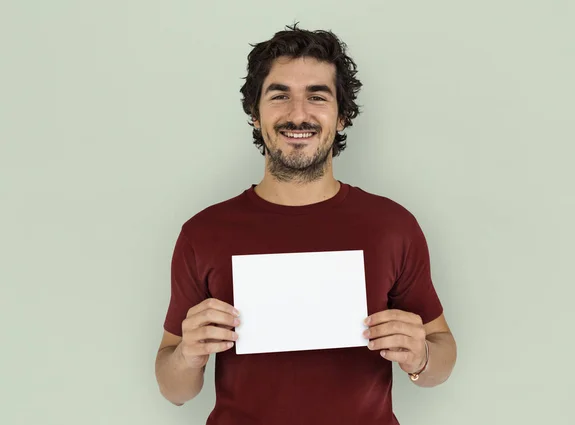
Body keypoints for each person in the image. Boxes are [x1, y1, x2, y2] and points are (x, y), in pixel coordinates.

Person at [154, 23, 457, 425]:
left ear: (342, 116)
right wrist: (188, 355)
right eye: (280, 96)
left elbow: (441, 358)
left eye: (317, 96)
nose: (298, 114)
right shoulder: (203, 232)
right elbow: (175, 390)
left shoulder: (392, 225)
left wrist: (420, 356)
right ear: (254, 113)